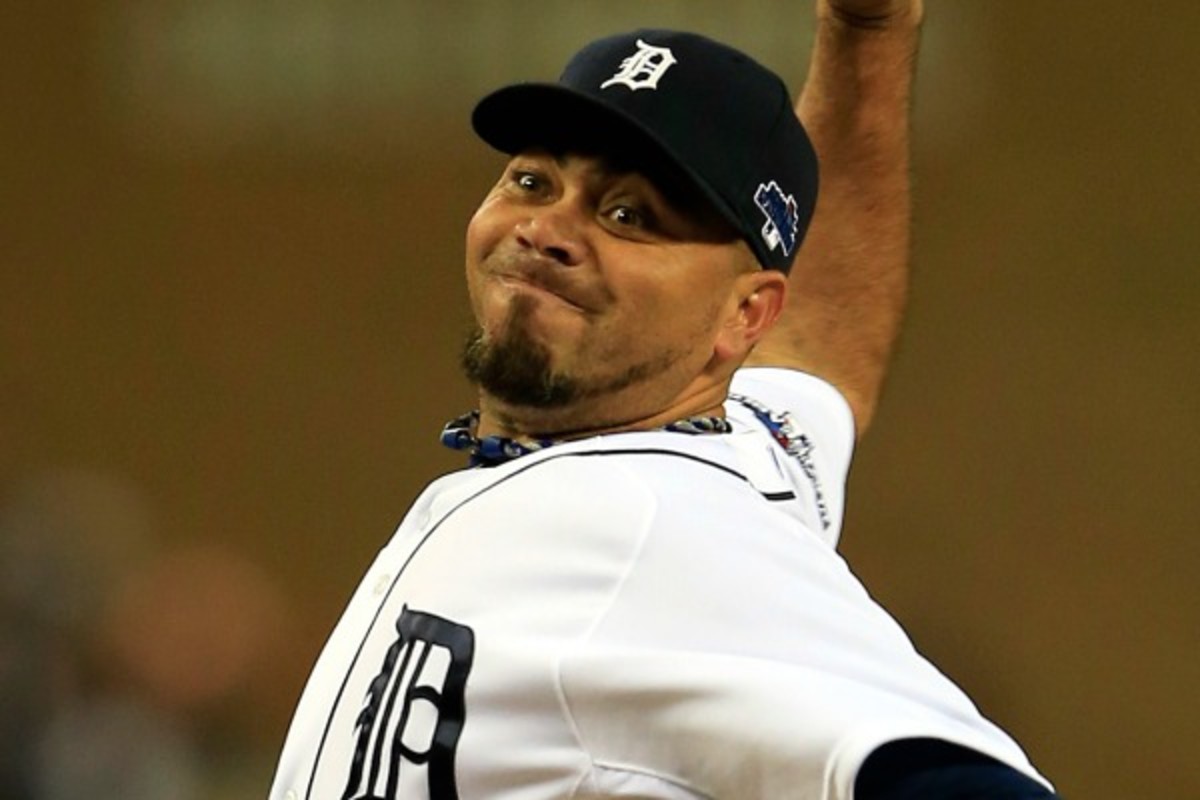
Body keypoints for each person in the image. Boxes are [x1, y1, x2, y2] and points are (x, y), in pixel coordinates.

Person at [270, 1, 1060, 798]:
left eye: (627, 215)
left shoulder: (638, 527)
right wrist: (869, 32)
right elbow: (821, 346)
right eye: (533, 180)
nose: (547, 228)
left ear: (745, 314)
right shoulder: (752, 453)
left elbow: (938, 771)